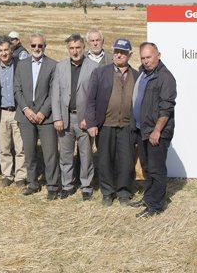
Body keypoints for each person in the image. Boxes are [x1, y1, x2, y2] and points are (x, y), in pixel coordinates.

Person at [85, 38, 139, 206]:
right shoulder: (101, 73)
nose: (119, 55)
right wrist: (92, 123)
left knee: (126, 160)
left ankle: (123, 192)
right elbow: (90, 100)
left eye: (123, 52)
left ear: (129, 55)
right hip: (106, 124)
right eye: (116, 52)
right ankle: (107, 192)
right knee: (105, 160)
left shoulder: (137, 75)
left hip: (127, 126)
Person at [130, 42, 177, 218]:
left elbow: (166, 108)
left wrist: (157, 130)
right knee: (148, 167)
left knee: (156, 170)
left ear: (158, 55)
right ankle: (148, 198)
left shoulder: (165, 77)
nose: (146, 61)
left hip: (156, 132)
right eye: (143, 58)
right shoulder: (143, 73)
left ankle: (155, 206)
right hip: (143, 129)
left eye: (149, 57)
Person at [51, 34, 98, 201]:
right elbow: (55, 94)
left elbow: (95, 96)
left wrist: (89, 118)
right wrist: (57, 118)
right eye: (71, 48)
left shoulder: (93, 67)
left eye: (78, 47)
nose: (75, 51)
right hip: (65, 118)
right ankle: (68, 185)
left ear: (84, 47)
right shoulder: (60, 66)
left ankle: (86, 186)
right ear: (68, 49)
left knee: (86, 155)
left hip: (84, 119)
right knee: (65, 154)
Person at [14, 33, 59, 200]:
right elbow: (17, 89)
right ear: (30, 46)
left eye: (40, 45)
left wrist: (42, 112)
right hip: (26, 116)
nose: (37, 48)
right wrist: (26, 109)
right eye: (33, 45)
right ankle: (32, 183)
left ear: (44, 46)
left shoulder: (53, 65)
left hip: (46, 118)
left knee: (50, 153)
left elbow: (54, 92)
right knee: (30, 153)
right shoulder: (21, 65)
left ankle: (52, 186)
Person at [0, 39, 25, 188]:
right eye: (1, 51)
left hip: (18, 111)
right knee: (4, 147)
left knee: (20, 147)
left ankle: (21, 176)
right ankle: (7, 175)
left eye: (6, 50)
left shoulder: (21, 65)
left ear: (11, 50)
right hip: (2, 112)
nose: (4, 53)